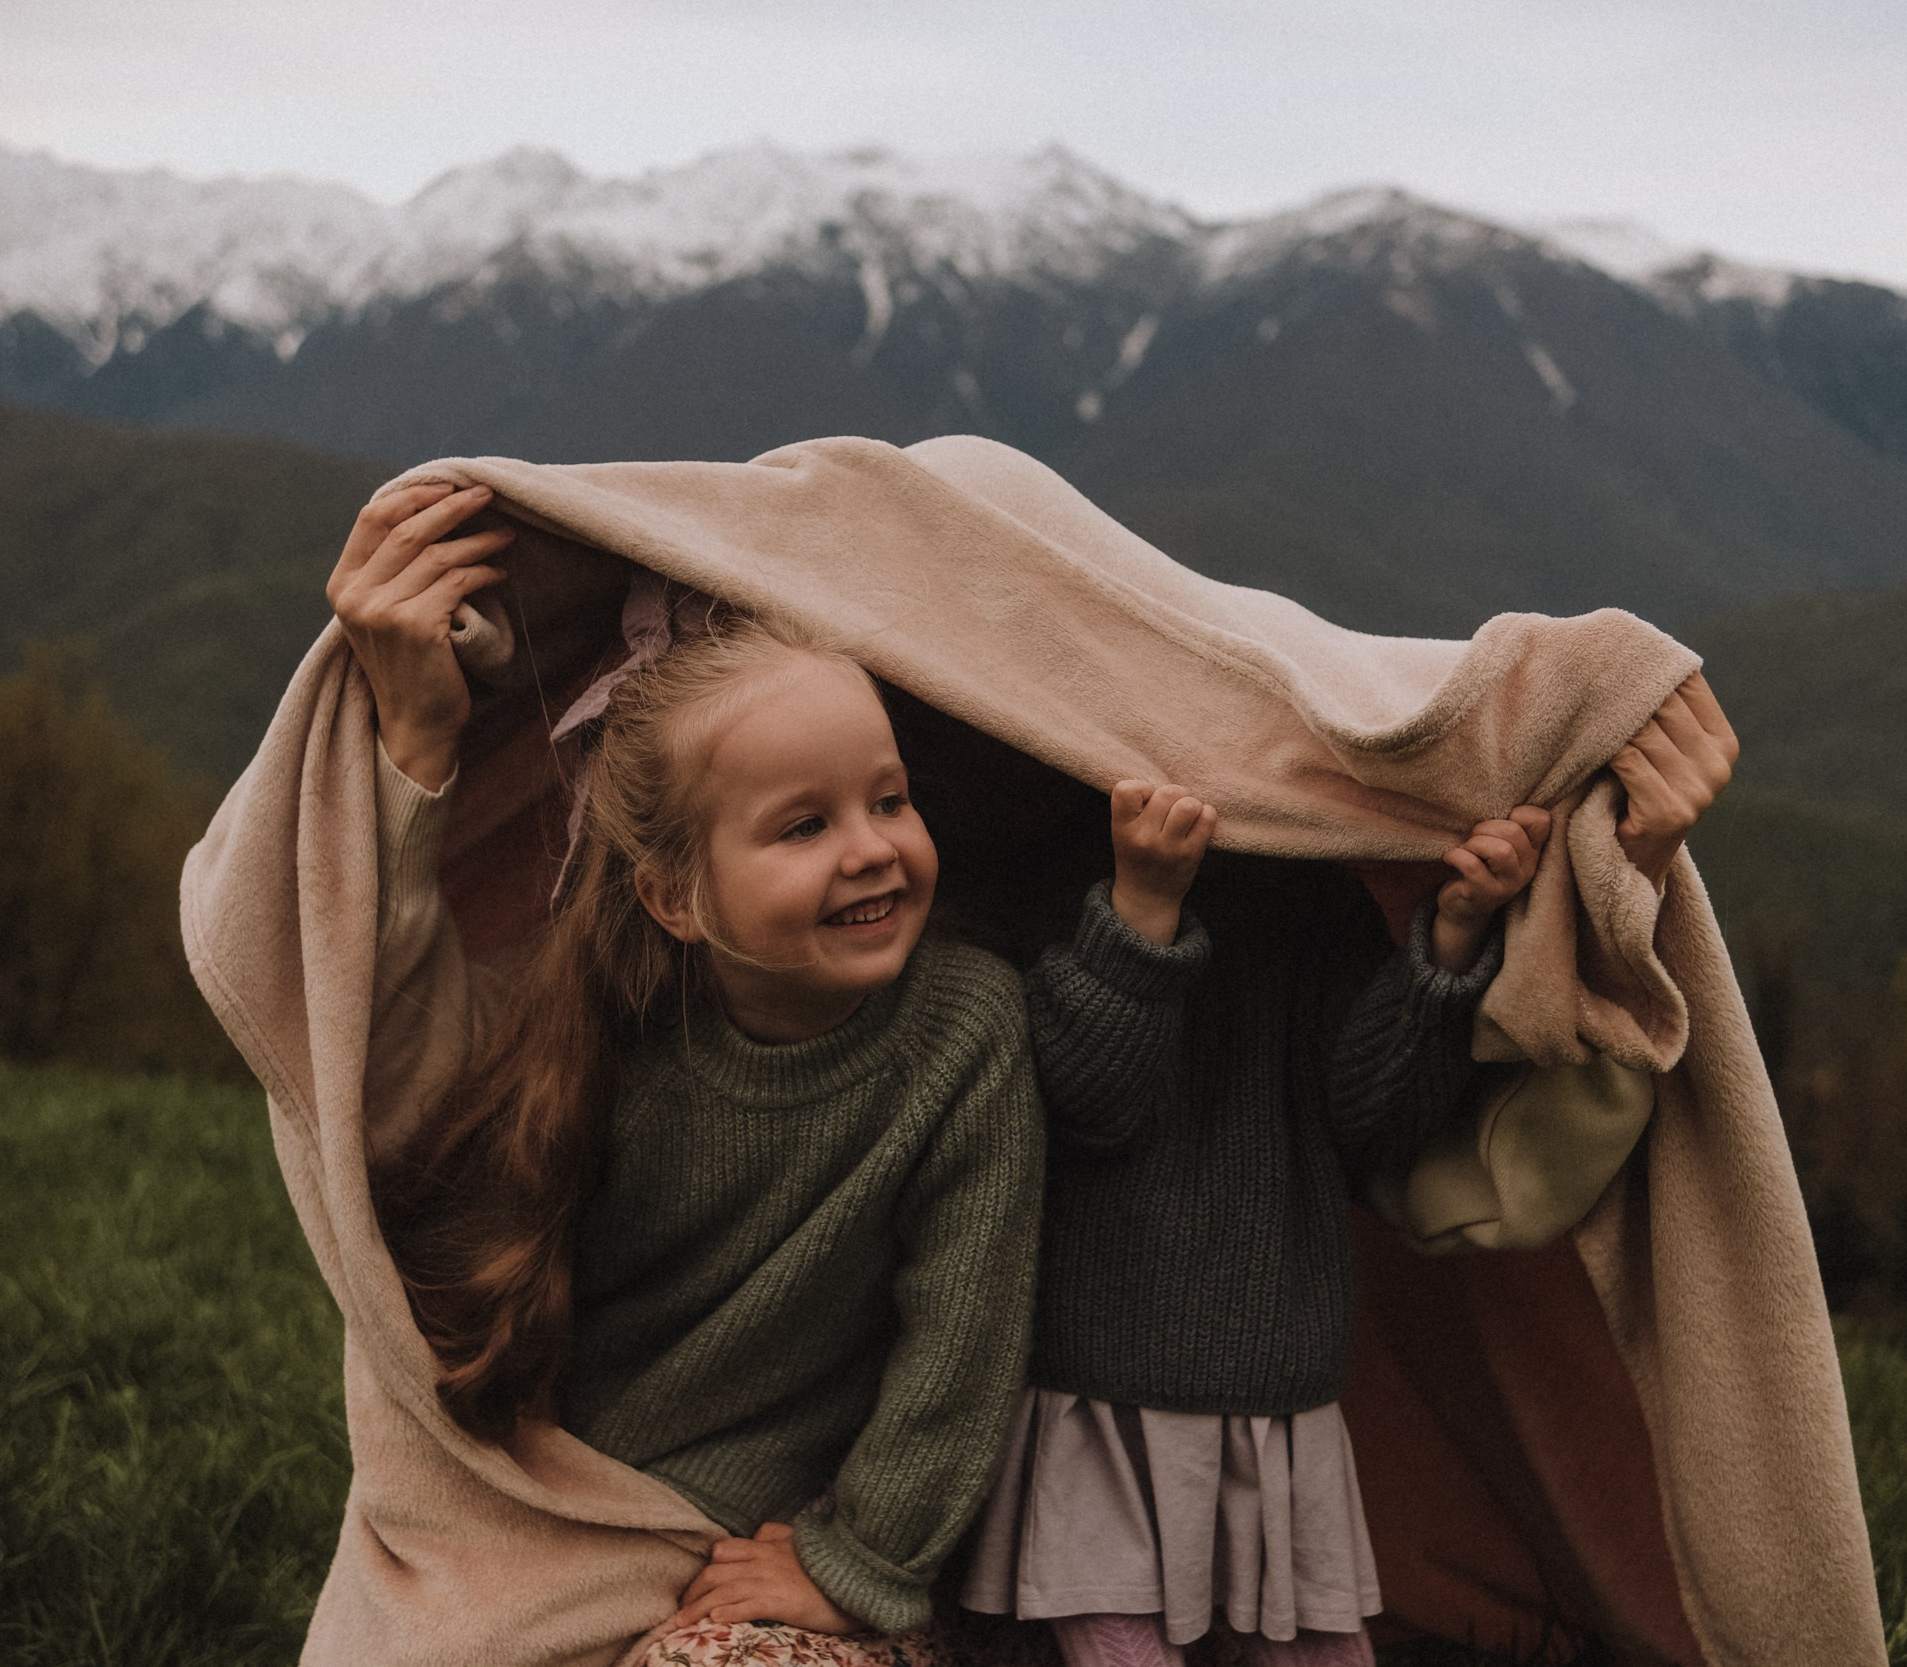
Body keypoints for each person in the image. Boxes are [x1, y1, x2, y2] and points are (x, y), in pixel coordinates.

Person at [330, 481, 1047, 1661]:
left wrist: (859, 1559)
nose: (871, 845)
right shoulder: (616, 1018)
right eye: (802, 826)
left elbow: (960, 1339)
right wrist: (412, 743)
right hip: (579, 1506)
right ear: (676, 897)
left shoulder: (965, 1027)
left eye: (889, 797)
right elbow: (389, 1050)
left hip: (792, 1538)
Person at [959, 769, 1549, 1667]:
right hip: (1095, 1389)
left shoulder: (1313, 888)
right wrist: (1140, 907)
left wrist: (1456, 937)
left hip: (1274, 1388)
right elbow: (1084, 1104)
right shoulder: (1054, 868)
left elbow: (1375, 1122)